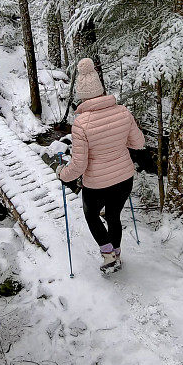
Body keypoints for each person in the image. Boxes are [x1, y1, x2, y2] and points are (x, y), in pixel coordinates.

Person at [56, 57, 145, 273]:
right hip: (124, 178)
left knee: (92, 215)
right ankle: (116, 253)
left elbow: (79, 165)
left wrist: (62, 174)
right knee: (114, 216)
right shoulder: (123, 112)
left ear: (82, 95)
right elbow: (139, 143)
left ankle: (108, 256)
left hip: (97, 184)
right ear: (101, 90)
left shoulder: (81, 124)